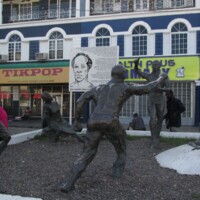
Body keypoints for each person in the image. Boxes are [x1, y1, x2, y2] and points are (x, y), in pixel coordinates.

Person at [59, 64, 168, 193]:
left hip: (93, 121)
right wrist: (161, 77)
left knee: (86, 154)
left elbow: (80, 101)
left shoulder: (97, 88)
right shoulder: (125, 87)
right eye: (126, 73)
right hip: (110, 121)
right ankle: (117, 172)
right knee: (121, 149)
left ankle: (69, 183)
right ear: (123, 75)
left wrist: (77, 120)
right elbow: (148, 87)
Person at [134, 59, 171, 148]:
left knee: (160, 119)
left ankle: (156, 137)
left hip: (160, 101)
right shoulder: (149, 76)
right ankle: (154, 138)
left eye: (156, 65)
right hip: (151, 100)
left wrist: (160, 89)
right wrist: (136, 64)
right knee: (153, 118)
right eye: (153, 65)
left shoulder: (164, 76)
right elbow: (137, 72)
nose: (154, 67)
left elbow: (169, 89)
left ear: (159, 67)